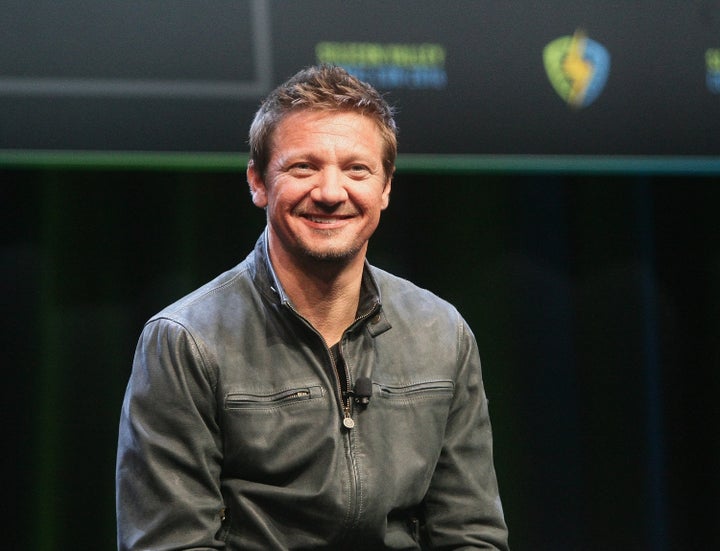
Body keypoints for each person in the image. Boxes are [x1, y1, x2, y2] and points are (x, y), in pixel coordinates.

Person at [116, 64, 509, 550]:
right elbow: (172, 543)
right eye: (303, 167)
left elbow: (471, 534)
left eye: (356, 169)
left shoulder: (441, 331)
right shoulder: (185, 340)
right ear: (258, 182)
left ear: (385, 187)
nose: (329, 192)